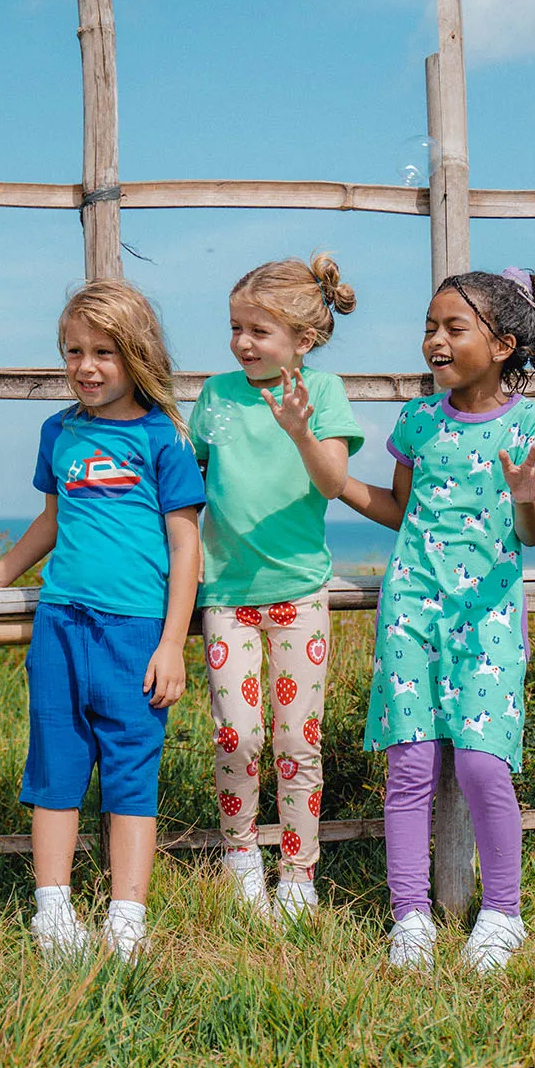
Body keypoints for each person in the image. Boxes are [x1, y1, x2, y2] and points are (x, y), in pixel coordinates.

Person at [340, 267, 535, 972]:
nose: (433, 341)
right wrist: (335, 484)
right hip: (411, 609)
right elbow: (399, 510)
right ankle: (408, 917)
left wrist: (528, 499)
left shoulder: (531, 422)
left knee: (481, 764)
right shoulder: (417, 420)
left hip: (488, 618)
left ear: (502, 344)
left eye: (453, 328)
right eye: (429, 326)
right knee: (409, 765)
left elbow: (531, 535)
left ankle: (502, 912)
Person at [0, 280, 204, 962]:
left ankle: (126, 916)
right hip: (62, 624)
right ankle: (53, 911)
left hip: (135, 634)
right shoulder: (59, 432)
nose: (87, 366)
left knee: (132, 771)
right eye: (74, 351)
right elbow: (52, 520)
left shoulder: (166, 439)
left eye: (104, 352)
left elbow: (185, 544)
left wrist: (171, 644)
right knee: (55, 766)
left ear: (137, 354)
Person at [189, 254, 364, 922]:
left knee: (296, 740)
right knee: (236, 735)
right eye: (236, 328)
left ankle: (298, 870)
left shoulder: (322, 393)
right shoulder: (214, 395)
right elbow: (184, 489)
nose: (242, 343)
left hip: (299, 594)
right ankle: (241, 860)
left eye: (258, 331)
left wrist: (297, 429)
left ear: (303, 339)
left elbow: (331, 483)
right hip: (226, 595)